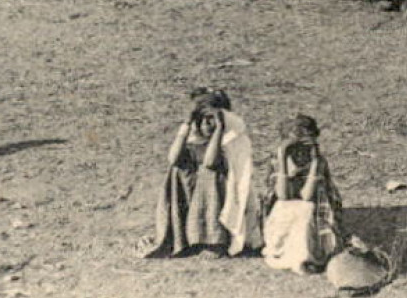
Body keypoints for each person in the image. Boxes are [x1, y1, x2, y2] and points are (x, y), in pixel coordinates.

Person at [140, 88, 262, 258]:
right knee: (177, 170)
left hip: (222, 201)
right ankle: (183, 238)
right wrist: (186, 124)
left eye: (211, 118)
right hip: (196, 200)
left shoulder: (231, 140)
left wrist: (219, 129)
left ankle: (214, 241)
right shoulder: (194, 139)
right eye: (202, 119)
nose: (207, 124)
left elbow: (210, 162)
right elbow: (173, 158)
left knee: (208, 173)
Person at [261, 115, 345, 274]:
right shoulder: (279, 160)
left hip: (312, 211)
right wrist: (283, 157)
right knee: (284, 207)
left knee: (305, 209)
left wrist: (314, 162)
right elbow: (283, 195)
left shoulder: (318, 162)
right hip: (286, 208)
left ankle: (305, 256)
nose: (300, 152)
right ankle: (286, 251)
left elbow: (307, 195)